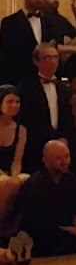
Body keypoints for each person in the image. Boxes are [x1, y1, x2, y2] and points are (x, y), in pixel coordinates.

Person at [8, 141, 76, 259]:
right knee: (70, 244)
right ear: (46, 160)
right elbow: (35, 223)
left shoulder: (71, 180)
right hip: (41, 233)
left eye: (67, 156)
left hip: (66, 229)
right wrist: (74, 231)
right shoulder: (35, 185)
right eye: (58, 158)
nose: (65, 162)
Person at [1, 0, 76, 86]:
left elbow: (53, 44)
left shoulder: (50, 20)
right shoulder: (10, 22)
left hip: (48, 78)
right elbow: (12, 54)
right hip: (20, 80)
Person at [17, 44, 76, 173]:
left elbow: (68, 118)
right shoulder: (26, 88)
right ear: (36, 61)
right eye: (47, 58)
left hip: (62, 142)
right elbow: (27, 119)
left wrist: (64, 138)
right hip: (36, 146)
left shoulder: (64, 88)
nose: (53, 61)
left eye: (55, 57)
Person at [0, 85, 29, 233]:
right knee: (8, 184)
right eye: (10, 102)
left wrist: (14, 177)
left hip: (10, 173)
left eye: (17, 102)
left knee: (25, 180)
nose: (14, 105)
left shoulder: (21, 130)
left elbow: (17, 161)